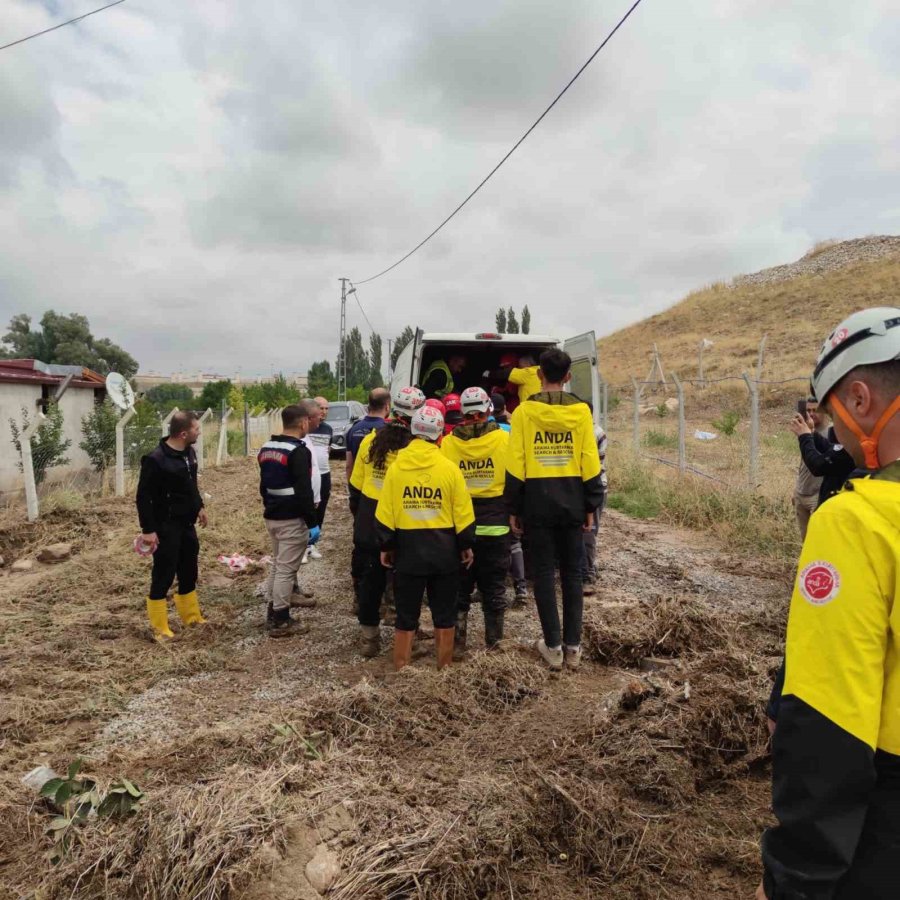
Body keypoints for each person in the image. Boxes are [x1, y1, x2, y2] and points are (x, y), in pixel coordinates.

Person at [759, 307, 900, 900]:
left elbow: (828, 728)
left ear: (860, 399)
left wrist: (794, 879)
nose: (834, 430)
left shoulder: (858, 522)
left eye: (834, 412)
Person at [504, 348, 603, 671]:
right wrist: (590, 504)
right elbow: (589, 460)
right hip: (572, 500)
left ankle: (553, 647)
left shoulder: (523, 413)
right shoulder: (581, 412)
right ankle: (574, 648)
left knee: (544, 574)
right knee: (573, 573)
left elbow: (516, 462)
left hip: (537, 501)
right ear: (568, 377)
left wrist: (514, 507)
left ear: (538, 374)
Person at [376, 405, 476, 670]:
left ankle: (402, 669)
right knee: (444, 613)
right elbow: (463, 513)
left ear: (412, 431)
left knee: (406, 614)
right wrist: (466, 544)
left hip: (408, 553)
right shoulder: (450, 469)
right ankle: (444, 667)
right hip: (444, 552)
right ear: (440, 435)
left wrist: (387, 545)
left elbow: (385, 513)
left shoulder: (397, 468)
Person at [349, 386, 425, 656]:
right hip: (406, 515)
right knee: (407, 581)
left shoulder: (371, 440)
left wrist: (359, 516)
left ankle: (369, 638)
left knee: (371, 580)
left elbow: (356, 485)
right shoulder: (418, 449)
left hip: (371, 514)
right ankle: (408, 638)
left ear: (393, 409)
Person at [441, 386, 511, 656]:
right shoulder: (504, 439)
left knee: (460, 588)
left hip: (461, 528)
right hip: (496, 525)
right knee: (494, 588)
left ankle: (457, 646)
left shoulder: (449, 443)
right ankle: (495, 645)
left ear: (463, 413)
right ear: (488, 410)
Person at [137, 410, 208, 642]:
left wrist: (199, 506)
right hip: (165, 526)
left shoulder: (189, 453)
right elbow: (143, 497)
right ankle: (160, 628)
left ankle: (191, 616)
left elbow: (191, 484)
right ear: (183, 433)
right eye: (196, 429)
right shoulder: (156, 460)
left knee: (189, 570)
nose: (199, 432)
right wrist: (148, 530)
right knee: (164, 574)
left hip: (187, 523)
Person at [257, 404, 321, 638]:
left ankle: (273, 611)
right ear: (303, 422)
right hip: (292, 518)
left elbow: (263, 485)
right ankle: (281, 619)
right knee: (286, 569)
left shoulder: (267, 447)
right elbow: (304, 490)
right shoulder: (298, 451)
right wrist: (312, 522)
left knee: (278, 565)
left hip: (273, 514)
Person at [790, 398, 857, 518]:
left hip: (836, 509)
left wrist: (805, 436)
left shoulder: (853, 447)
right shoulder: (849, 444)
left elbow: (817, 466)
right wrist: (811, 433)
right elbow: (831, 448)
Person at [581, 404, 608, 595]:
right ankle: (588, 568)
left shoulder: (584, 432)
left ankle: (587, 571)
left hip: (585, 486)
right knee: (590, 529)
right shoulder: (599, 432)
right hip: (597, 485)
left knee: (586, 530)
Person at [345, 388, 390, 480]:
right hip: (379, 483)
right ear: (387, 406)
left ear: (369, 405)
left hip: (358, 482)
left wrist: (350, 484)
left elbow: (349, 465)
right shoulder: (389, 431)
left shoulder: (353, 429)